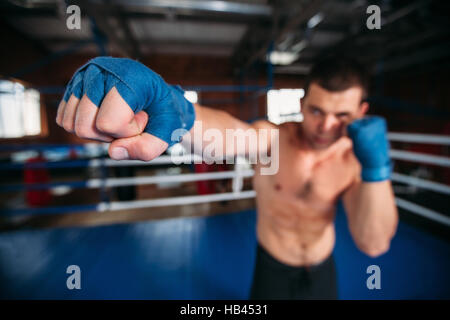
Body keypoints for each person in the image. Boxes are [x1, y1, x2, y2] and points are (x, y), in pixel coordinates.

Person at [56, 56, 398, 300]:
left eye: (342, 116)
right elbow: (231, 134)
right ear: (302, 102)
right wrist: (175, 105)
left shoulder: (356, 162)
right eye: (317, 111)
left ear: (362, 113)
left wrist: (377, 170)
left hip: (323, 269)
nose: (326, 127)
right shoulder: (274, 141)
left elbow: (374, 243)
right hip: (272, 267)